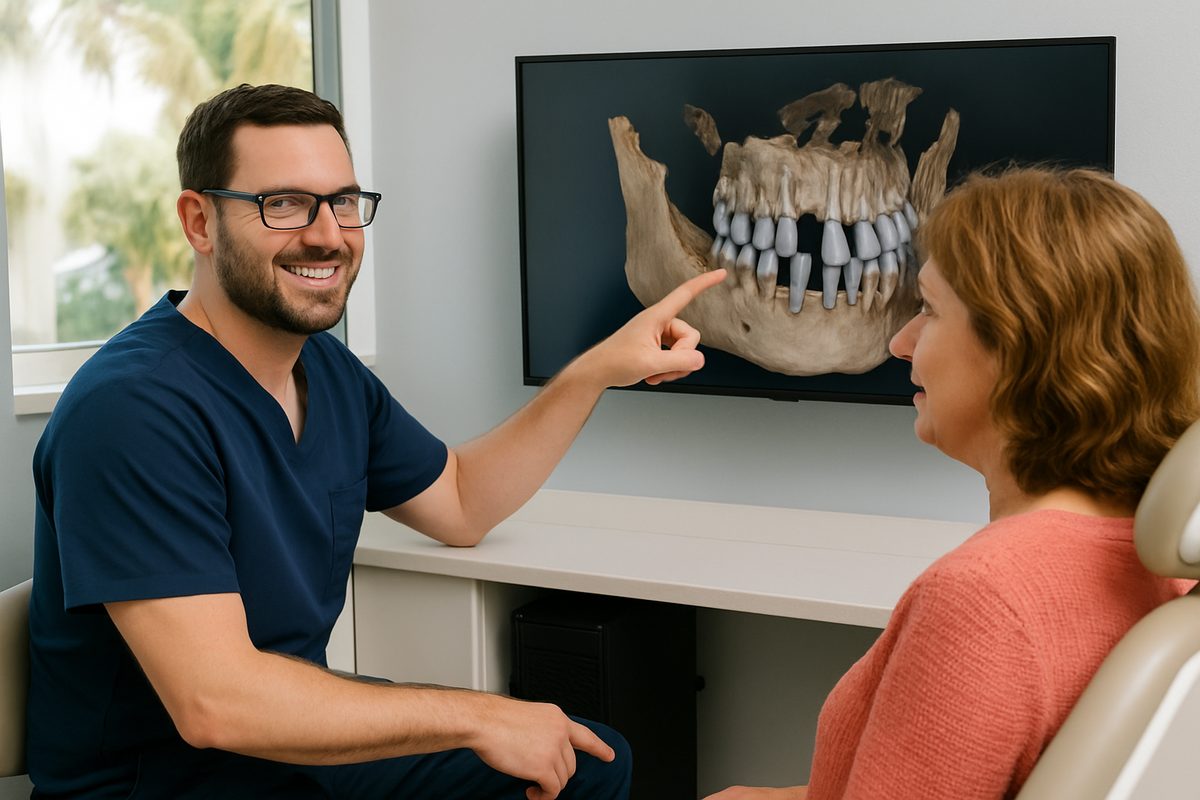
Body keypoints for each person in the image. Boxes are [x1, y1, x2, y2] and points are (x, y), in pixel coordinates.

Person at [26, 83, 726, 799]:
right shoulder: (132, 410)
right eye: (284, 204)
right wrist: (479, 717)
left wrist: (596, 370)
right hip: (170, 783)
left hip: (284, 761)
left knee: (586, 763)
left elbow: (460, 502)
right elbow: (217, 704)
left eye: (343, 202)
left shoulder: (325, 371)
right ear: (199, 222)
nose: (327, 234)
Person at [703, 166, 1200, 800]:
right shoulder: (1162, 568)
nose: (901, 342)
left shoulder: (983, 600)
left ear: (1018, 348)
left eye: (930, 310)